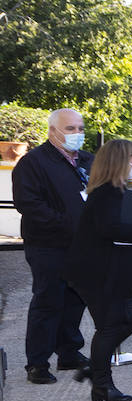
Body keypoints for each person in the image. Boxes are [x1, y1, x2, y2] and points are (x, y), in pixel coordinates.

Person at [63, 140, 132, 401]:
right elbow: (109, 228)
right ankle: (102, 384)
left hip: (112, 270)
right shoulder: (107, 191)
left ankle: (95, 369)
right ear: (120, 161)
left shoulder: (114, 189)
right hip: (98, 272)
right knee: (110, 326)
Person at [12, 108, 93, 383]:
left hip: (82, 246)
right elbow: (28, 204)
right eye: (70, 129)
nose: (77, 134)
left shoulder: (87, 160)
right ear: (53, 131)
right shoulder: (33, 162)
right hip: (48, 244)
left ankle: (68, 352)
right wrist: (65, 223)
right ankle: (37, 363)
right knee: (48, 302)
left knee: (75, 300)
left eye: (80, 128)